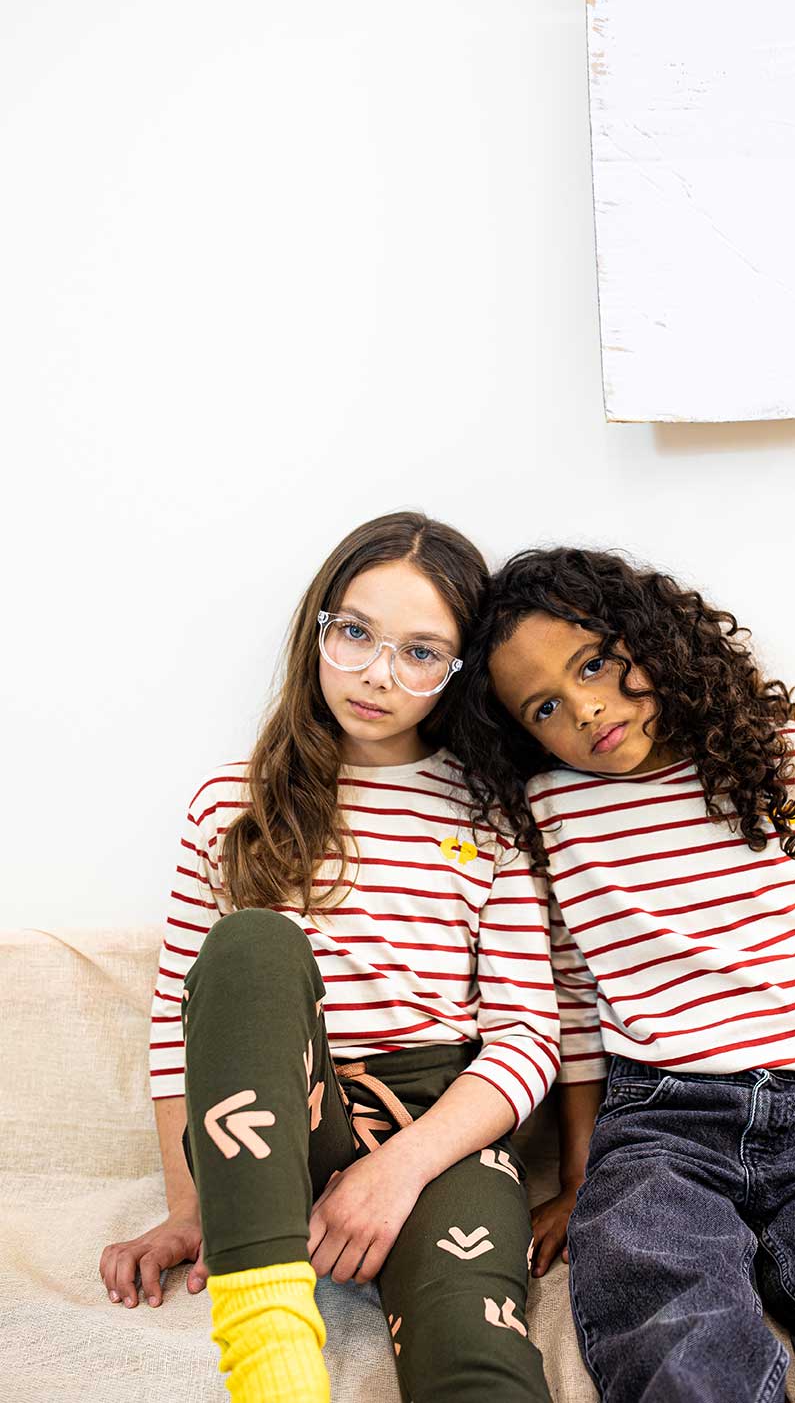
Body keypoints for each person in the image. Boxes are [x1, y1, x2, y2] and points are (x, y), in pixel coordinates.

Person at [452, 543, 795, 1403]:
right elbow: (577, 1003)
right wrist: (583, 1177)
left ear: (650, 636)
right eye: (546, 706)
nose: (587, 707)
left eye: (595, 662)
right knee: (671, 1330)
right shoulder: (554, 810)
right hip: (657, 1125)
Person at [99, 512, 559, 1403]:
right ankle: (271, 1356)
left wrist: (400, 1168)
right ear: (320, 627)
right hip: (269, 1110)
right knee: (253, 943)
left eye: (420, 652)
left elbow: (529, 1038)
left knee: (475, 1348)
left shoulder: (492, 816)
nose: (376, 675)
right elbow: (176, 1023)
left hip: (437, 1126)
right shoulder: (232, 803)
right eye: (354, 634)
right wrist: (192, 1212)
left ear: (459, 673)